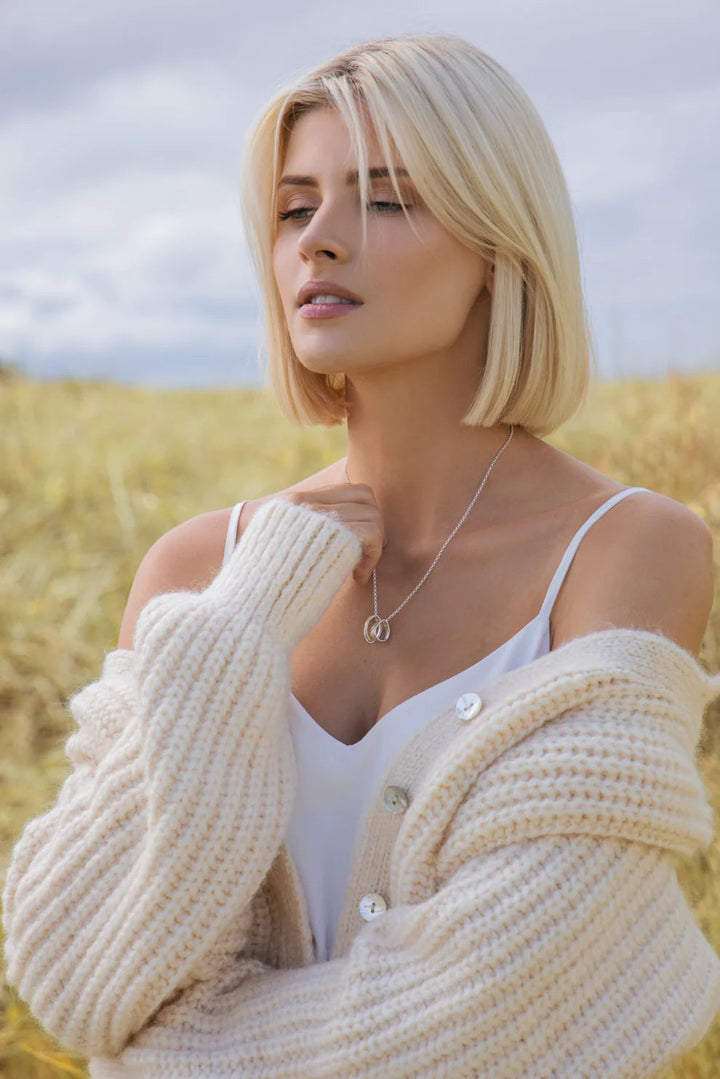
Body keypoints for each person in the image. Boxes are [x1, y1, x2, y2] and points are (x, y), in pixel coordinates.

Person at [3, 32, 720, 1078]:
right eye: (296, 207)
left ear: (499, 243)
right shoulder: (199, 575)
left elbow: (489, 1012)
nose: (319, 242)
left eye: (384, 200)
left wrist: (173, 1052)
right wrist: (245, 623)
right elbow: (74, 970)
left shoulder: (627, 551)